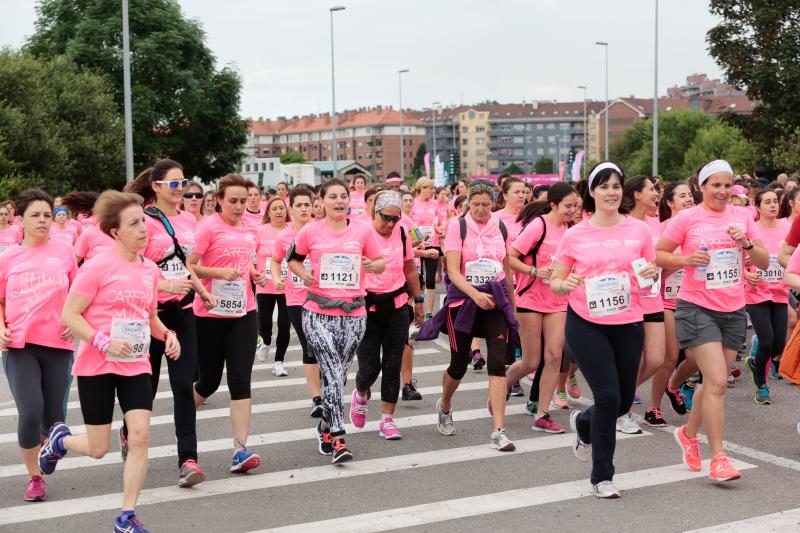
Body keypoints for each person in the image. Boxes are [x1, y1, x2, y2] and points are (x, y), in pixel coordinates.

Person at [41, 190, 180, 533]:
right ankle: (60, 440)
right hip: (97, 365)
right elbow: (70, 314)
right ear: (115, 232)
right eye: (134, 224)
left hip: (135, 364)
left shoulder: (149, 270)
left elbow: (149, 317)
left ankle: (126, 516)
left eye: (143, 222)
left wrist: (167, 334)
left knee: (141, 435)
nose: (143, 229)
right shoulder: (98, 267)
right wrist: (102, 341)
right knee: (99, 447)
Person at [550, 162, 658, 498]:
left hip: (628, 322)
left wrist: (652, 276)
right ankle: (602, 476)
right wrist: (564, 283)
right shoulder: (575, 234)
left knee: (623, 402)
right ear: (592, 192)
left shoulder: (638, 231)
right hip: (586, 323)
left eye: (616, 186)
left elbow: (649, 275)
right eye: (604, 186)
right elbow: (555, 281)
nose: (611, 192)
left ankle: (584, 424)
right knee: (609, 397)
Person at [657, 159, 768, 483]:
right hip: (696, 307)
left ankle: (689, 435)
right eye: (714, 185)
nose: (721, 191)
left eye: (726, 185)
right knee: (718, 381)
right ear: (701, 187)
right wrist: (685, 259)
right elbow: (660, 253)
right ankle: (718, 457)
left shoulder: (744, 216)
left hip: (733, 308)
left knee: (712, 383)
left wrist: (746, 243)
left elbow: (761, 258)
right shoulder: (688, 219)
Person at [123, 158, 215, 487]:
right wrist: (165, 286)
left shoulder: (190, 221)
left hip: (184, 312)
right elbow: (133, 270)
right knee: (145, 390)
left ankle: (188, 459)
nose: (180, 190)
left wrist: (201, 290)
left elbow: (184, 262)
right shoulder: (142, 222)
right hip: (149, 316)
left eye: (183, 183)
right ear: (156, 187)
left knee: (181, 386)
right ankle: (128, 430)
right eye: (173, 184)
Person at [288, 178, 385, 464]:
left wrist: (372, 265)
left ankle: (324, 427)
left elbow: (380, 262)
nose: (339, 201)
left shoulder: (363, 230)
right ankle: (340, 439)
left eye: (343, 196)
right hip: (318, 312)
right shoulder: (311, 231)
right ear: (322, 201)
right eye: (333, 197)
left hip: (354, 314)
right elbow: (292, 258)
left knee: (339, 375)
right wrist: (303, 275)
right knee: (330, 369)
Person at [419, 179, 518, 452]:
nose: (481, 210)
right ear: (467, 203)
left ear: (494, 203)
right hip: (464, 301)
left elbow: (506, 269)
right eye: (476, 205)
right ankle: (446, 405)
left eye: (486, 205)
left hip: (495, 299)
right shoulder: (457, 226)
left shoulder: (500, 227)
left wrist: (512, 304)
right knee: (459, 364)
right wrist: (474, 294)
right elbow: (452, 270)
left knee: (498, 364)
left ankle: (499, 430)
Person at [0, 189, 76, 502]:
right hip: (20, 345)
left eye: (47, 214)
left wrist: (75, 319)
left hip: (59, 344)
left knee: (54, 419)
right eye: (36, 215)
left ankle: (48, 448)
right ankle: (34, 478)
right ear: (22, 220)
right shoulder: (7, 257)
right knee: (30, 411)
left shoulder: (65, 251)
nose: (43, 220)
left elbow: (78, 293)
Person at [187, 174, 263, 474]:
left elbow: (248, 263)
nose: (239, 207)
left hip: (244, 312)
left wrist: (255, 274)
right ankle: (183, 415)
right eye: (232, 201)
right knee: (208, 382)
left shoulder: (250, 229)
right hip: (209, 313)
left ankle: (239, 450)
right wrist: (217, 273)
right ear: (218, 200)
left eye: (243, 201)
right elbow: (189, 265)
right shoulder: (208, 227)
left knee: (240, 380)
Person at [351, 190, 424, 440]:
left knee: (393, 364)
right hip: (367, 306)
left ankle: (387, 420)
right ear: (374, 212)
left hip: (397, 304)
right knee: (370, 366)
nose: (391, 224)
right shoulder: (360, 233)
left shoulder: (402, 233)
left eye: (396, 218)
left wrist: (419, 300)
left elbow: (410, 269)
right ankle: (361, 393)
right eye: (386, 218)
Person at [507, 183, 578, 433]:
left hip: (558, 301)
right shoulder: (539, 225)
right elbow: (511, 257)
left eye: (575, 206)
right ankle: (502, 385)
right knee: (530, 361)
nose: (572, 210)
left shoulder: (572, 231)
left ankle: (543, 414)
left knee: (554, 356)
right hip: (530, 299)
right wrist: (534, 271)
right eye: (568, 206)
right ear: (554, 205)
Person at [617, 176, 665, 434]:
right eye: (651, 189)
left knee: (656, 358)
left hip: (653, 297)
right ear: (637, 194)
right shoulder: (621, 224)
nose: (656, 193)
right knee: (631, 361)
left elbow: (659, 259)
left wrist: (657, 269)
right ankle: (621, 410)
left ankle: (618, 400)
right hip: (630, 302)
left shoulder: (655, 224)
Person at [646, 181, 695, 426]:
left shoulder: (699, 230)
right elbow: (656, 273)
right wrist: (682, 261)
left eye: (690, 195)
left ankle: (673, 385)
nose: (688, 199)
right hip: (666, 299)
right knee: (670, 356)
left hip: (696, 300)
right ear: (669, 202)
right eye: (682, 195)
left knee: (696, 358)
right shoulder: (663, 230)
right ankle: (652, 407)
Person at [272, 186, 323, 418]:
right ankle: (317, 398)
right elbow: (275, 261)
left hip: (323, 298)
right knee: (309, 346)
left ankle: (325, 382)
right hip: (295, 299)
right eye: (299, 205)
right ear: (291, 209)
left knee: (324, 348)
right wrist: (276, 277)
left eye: (307, 204)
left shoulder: (322, 230)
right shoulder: (284, 236)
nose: (304, 209)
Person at [743, 189, 789, 404]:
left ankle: (756, 362)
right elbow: (738, 260)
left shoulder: (787, 229)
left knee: (779, 345)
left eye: (775, 201)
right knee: (767, 340)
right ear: (758, 207)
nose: (772, 205)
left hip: (780, 291)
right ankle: (761, 385)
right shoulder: (752, 231)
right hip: (756, 293)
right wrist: (747, 274)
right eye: (767, 202)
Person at [255, 196, 291, 375]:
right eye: (274, 209)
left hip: (287, 286)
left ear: (286, 210)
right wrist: (254, 273)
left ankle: (279, 361)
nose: (278, 211)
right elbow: (249, 254)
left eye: (281, 208)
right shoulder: (260, 231)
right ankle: (266, 341)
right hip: (265, 284)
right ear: (268, 212)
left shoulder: (292, 231)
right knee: (265, 323)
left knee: (285, 324)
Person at [411, 177, 442, 320]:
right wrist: (419, 238)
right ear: (421, 188)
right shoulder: (412, 203)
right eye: (429, 188)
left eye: (433, 188)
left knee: (430, 279)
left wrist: (439, 230)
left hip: (433, 244)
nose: (432, 190)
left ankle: (429, 313)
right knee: (417, 279)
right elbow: (408, 223)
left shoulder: (435, 204)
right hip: (416, 246)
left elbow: (437, 223)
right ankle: (414, 312)